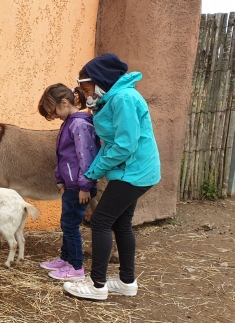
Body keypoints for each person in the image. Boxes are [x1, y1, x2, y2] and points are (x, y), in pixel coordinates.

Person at [63, 53, 161, 301]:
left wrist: (93, 172)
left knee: (100, 222)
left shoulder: (124, 99)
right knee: (121, 223)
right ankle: (127, 282)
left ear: (100, 82)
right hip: (134, 170)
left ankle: (97, 285)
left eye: (86, 89)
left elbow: (124, 145)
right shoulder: (114, 98)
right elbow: (113, 142)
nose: (85, 96)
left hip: (133, 172)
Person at [37, 83, 100, 281]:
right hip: (71, 185)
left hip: (79, 187)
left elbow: (86, 158)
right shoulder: (69, 122)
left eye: (53, 111)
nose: (54, 116)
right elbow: (63, 156)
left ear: (64, 102)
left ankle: (76, 267)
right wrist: (60, 180)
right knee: (67, 223)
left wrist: (84, 186)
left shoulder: (80, 124)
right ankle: (65, 259)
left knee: (71, 226)